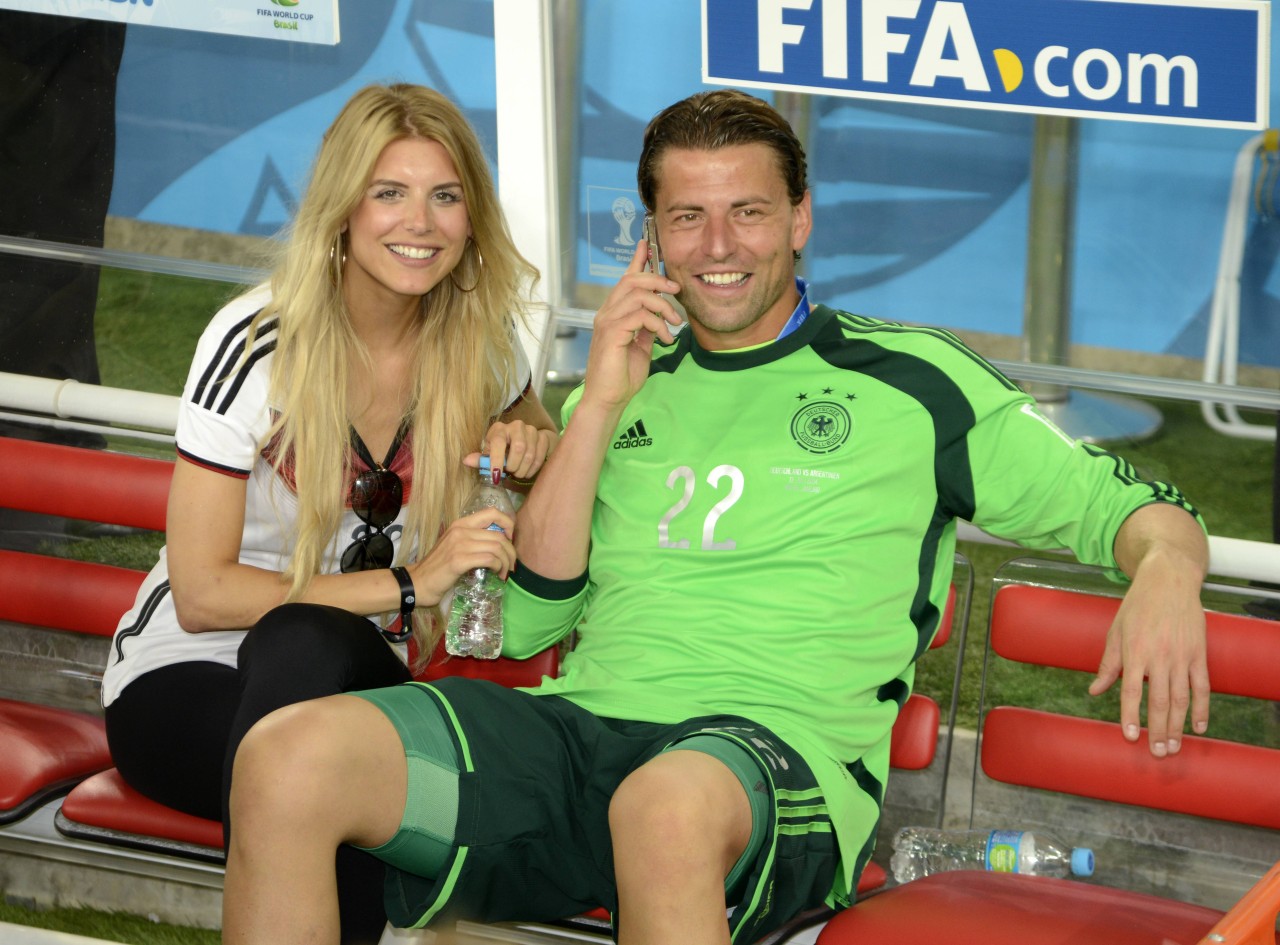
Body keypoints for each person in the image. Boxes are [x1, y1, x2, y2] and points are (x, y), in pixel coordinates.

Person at [220, 89, 1210, 945]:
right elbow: (524, 622)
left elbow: (1120, 507)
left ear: (800, 220)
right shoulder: (620, 388)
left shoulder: (910, 381)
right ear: (650, 236)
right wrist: (599, 406)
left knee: (664, 806)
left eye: (747, 212)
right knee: (287, 758)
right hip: (585, 735)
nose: (719, 245)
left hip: (773, 771)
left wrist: (1167, 571)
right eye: (686, 218)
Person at [101, 83, 557, 945]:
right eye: (389, 192)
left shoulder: (481, 343)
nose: (419, 221)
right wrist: (410, 583)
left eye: (445, 195)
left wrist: (531, 435)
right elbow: (201, 593)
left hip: (362, 677)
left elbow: (532, 424)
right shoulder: (255, 343)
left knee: (316, 707)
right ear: (343, 208)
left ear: (472, 216)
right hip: (184, 680)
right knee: (306, 693)